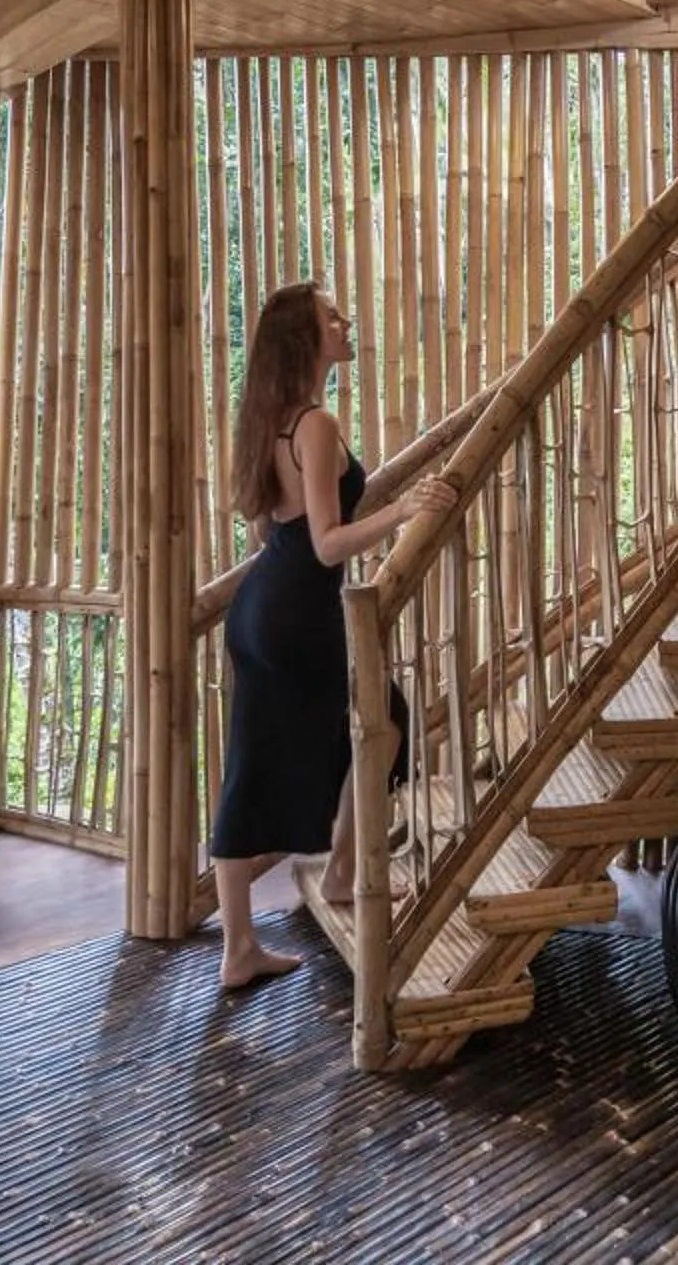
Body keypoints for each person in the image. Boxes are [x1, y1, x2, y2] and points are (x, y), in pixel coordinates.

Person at [209, 281, 455, 990]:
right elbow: (325, 544)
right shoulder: (315, 423)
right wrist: (405, 508)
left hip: (262, 606)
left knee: (256, 765)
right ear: (305, 340)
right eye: (331, 317)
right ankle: (341, 873)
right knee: (385, 723)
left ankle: (243, 945)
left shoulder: (270, 418)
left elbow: (268, 526)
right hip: (297, 608)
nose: (344, 323)